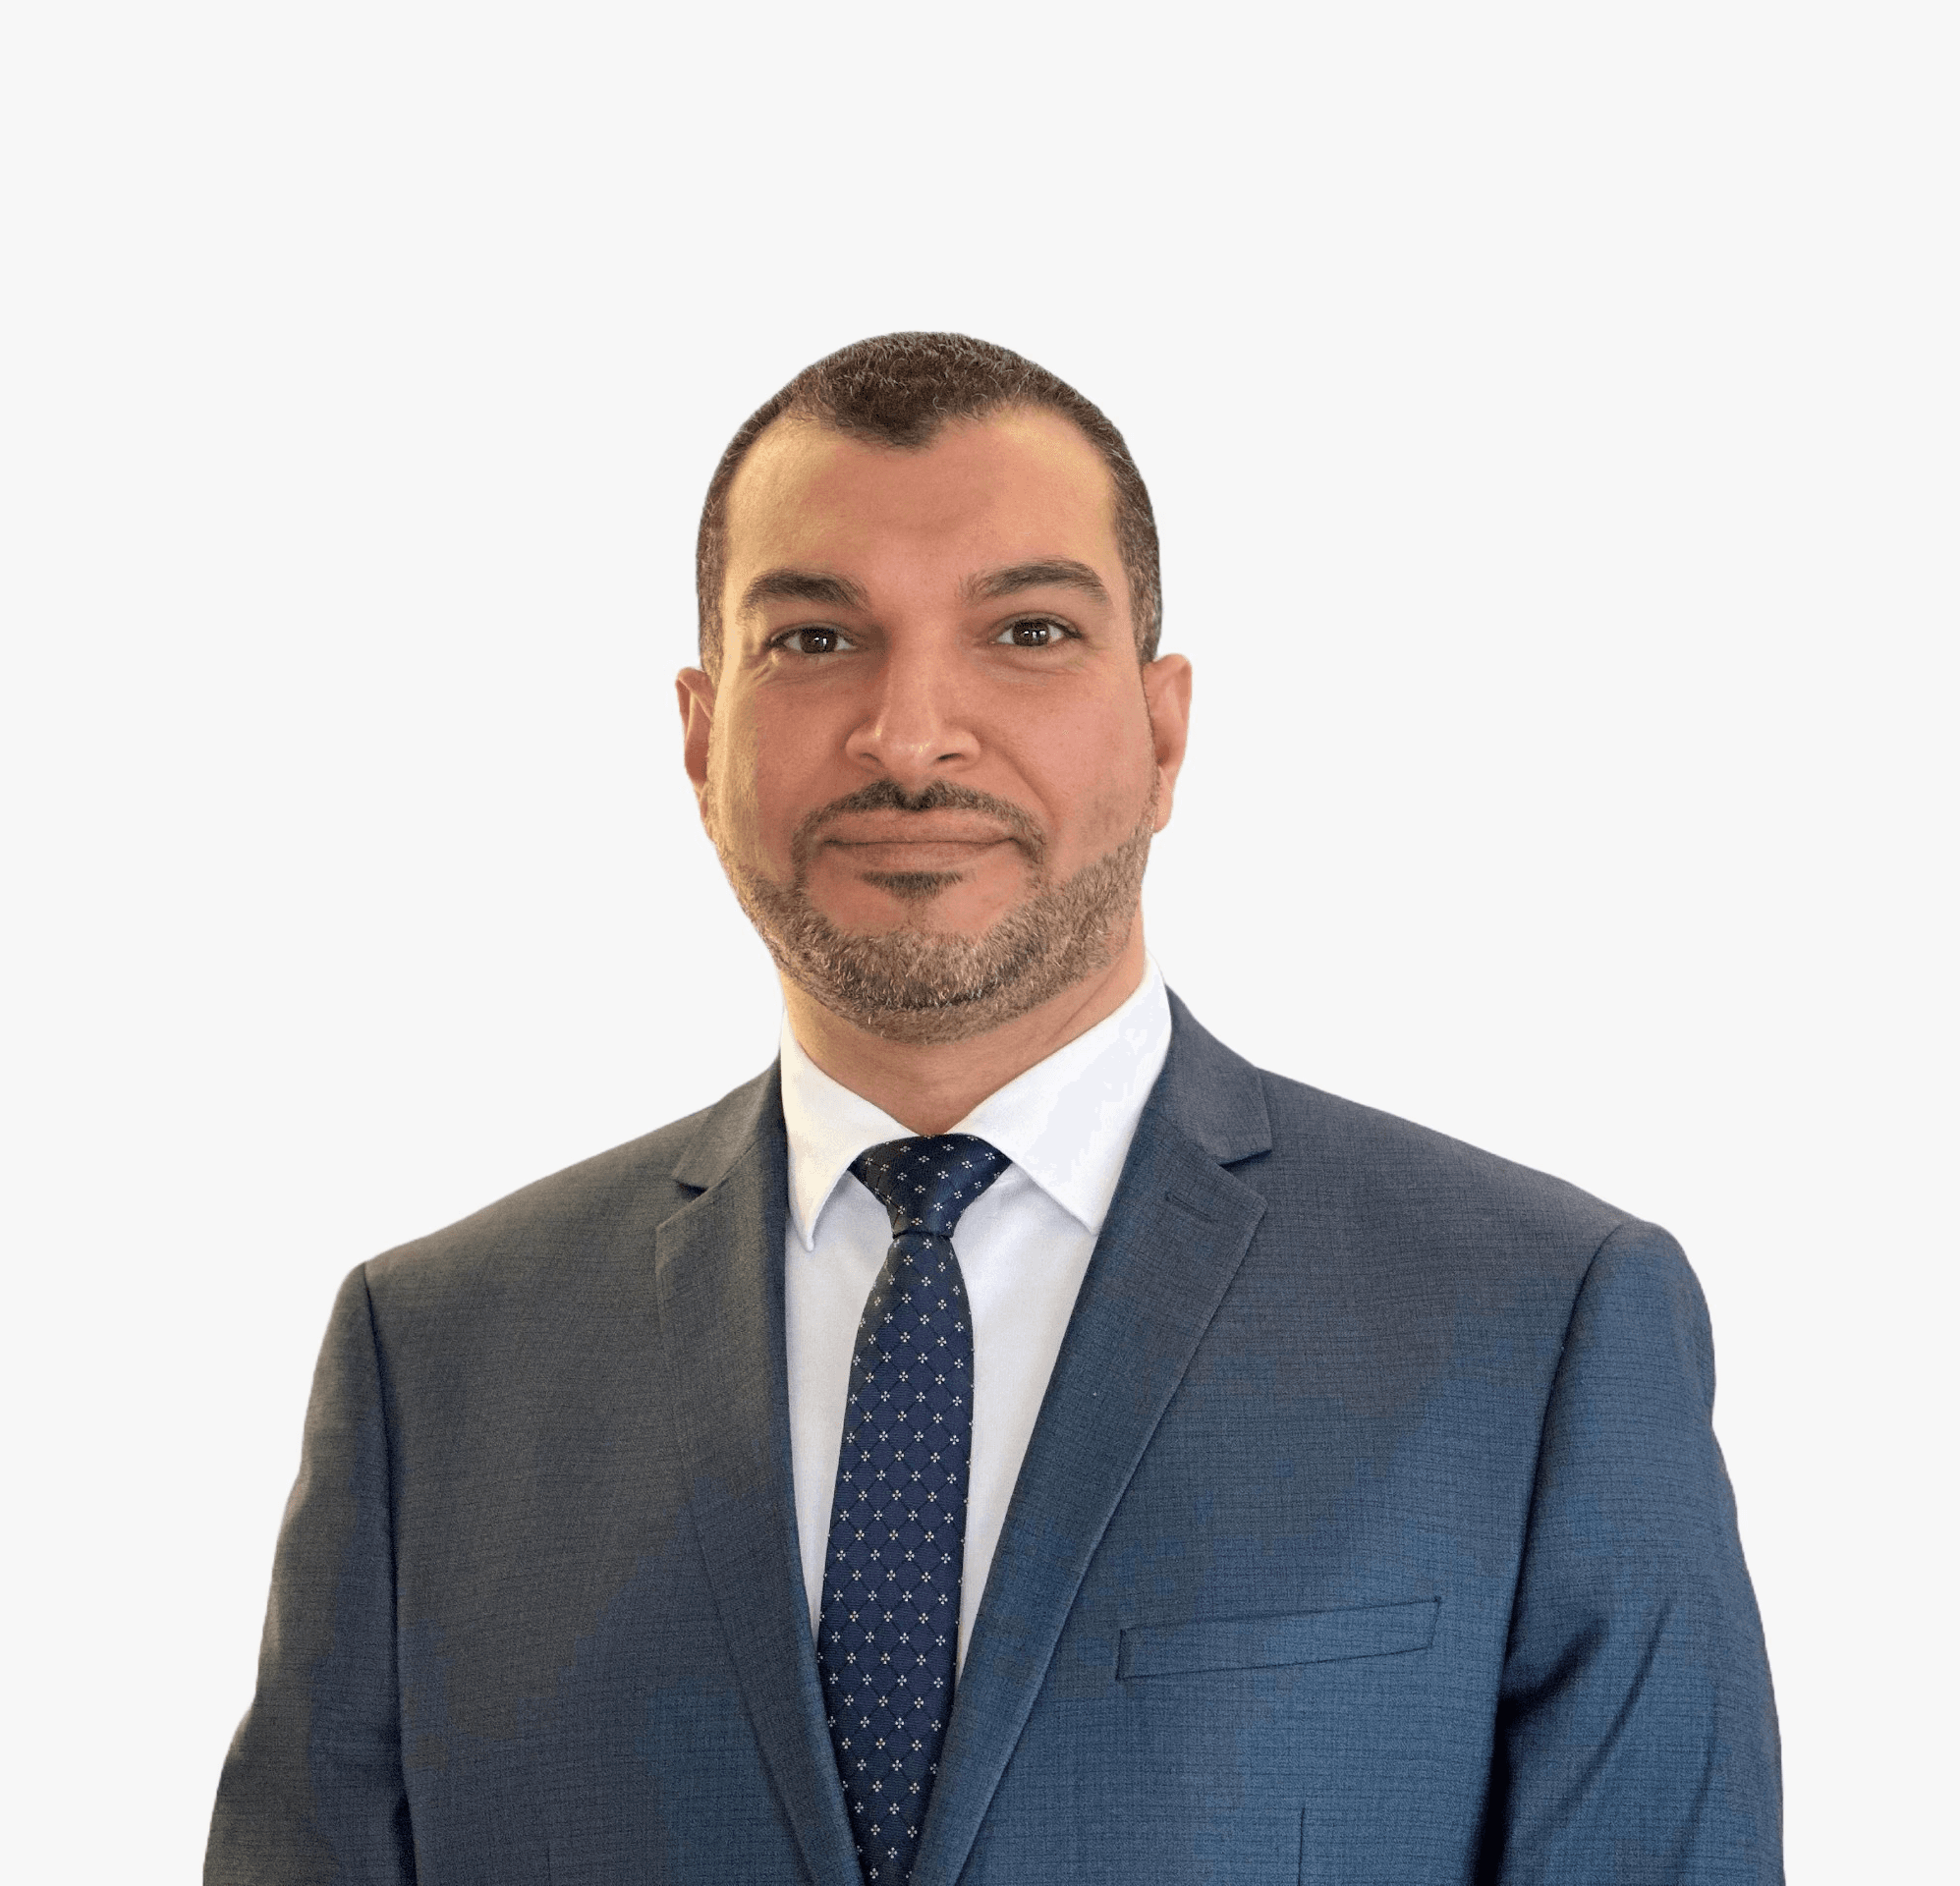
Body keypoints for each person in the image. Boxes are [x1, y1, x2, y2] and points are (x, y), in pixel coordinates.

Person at [205, 332, 1781, 1885]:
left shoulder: (1532, 1328)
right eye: (814, 640)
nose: (909, 737)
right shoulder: (434, 1364)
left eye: (1026, 631)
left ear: (1164, 730)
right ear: (698, 735)